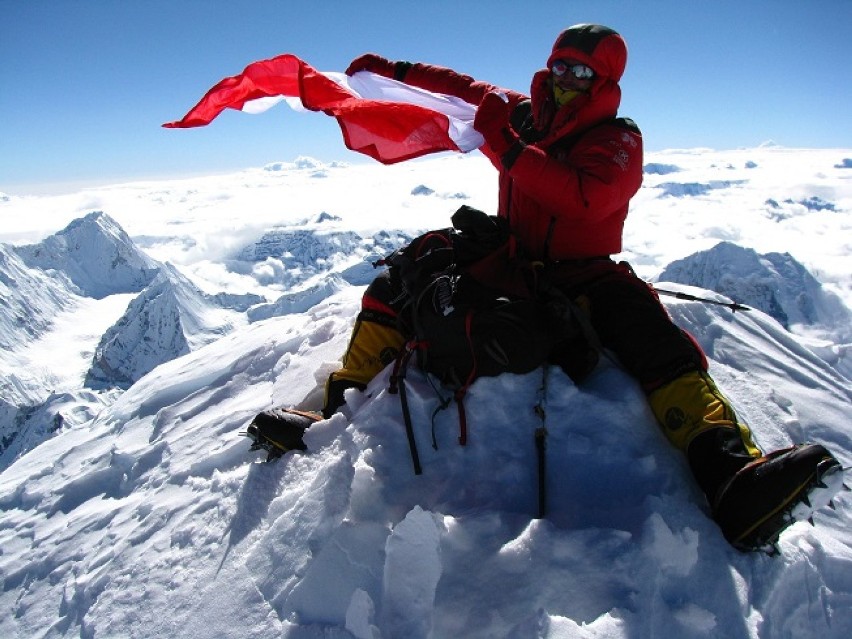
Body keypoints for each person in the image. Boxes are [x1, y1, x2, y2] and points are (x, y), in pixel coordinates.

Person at [302, 24, 841, 552]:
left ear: (604, 81)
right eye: (560, 64)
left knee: (652, 338)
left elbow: (585, 198)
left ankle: (730, 475)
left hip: (582, 272)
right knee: (406, 274)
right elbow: (457, 86)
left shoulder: (618, 139)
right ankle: (330, 408)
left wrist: (506, 145)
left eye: (582, 70)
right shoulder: (521, 113)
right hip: (508, 254)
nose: (566, 78)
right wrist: (390, 72)